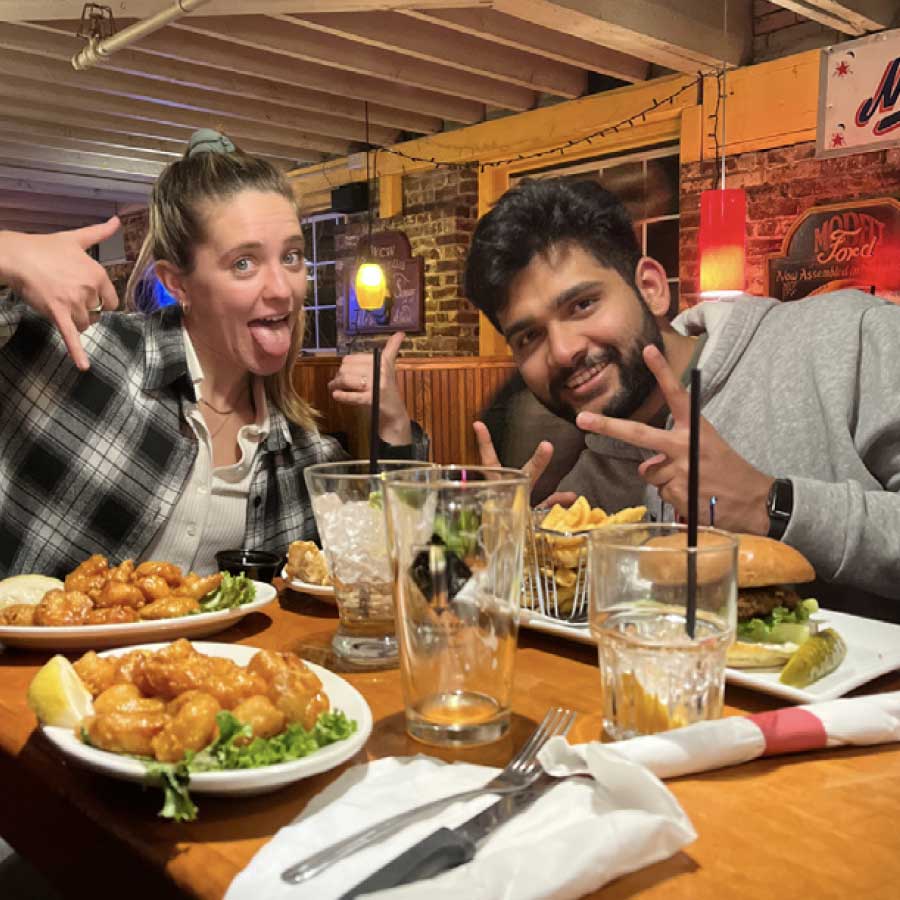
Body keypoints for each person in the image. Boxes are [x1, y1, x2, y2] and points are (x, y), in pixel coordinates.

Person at [465, 177, 900, 619]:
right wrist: (516, 557)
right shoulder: (585, 489)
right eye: (529, 336)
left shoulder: (853, 338)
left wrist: (772, 505)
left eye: (582, 305)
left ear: (651, 287)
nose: (562, 351)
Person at [0, 129, 425, 578]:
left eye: (293, 257)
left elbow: (390, 568)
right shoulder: (78, 350)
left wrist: (394, 424)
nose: (282, 290)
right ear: (176, 283)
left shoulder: (303, 453)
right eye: (243, 263)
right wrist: (8, 249)